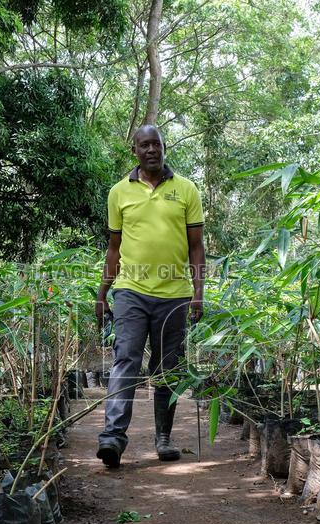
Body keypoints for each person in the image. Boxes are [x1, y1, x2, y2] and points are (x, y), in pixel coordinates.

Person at [95, 124, 205, 468]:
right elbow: (114, 249)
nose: (151, 150)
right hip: (130, 290)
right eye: (144, 145)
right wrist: (102, 293)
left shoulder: (187, 190)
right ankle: (112, 438)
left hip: (175, 295)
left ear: (164, 147)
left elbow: (196, 246)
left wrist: (198, 292)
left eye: (156, 144)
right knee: (125, 359)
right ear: (135, 151)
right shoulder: (119, 193)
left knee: (167, 369)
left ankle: (163, 437)